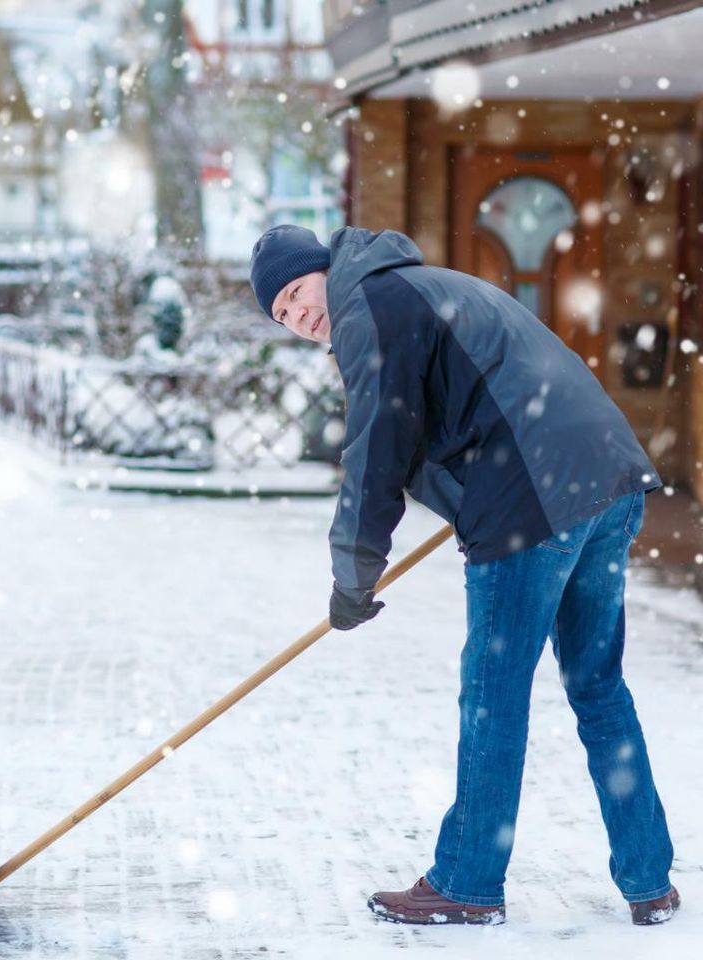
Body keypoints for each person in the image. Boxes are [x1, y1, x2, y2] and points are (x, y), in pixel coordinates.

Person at [249, 224, 678, 927]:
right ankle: (648, 879)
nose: (300, 316)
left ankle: (468, 882)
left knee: (493, 692)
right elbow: (443, 419)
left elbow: (376, 449)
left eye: (298, 293)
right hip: (606, 479)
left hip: (536, 495)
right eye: (284, 315)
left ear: (326, 268)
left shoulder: (370, 308)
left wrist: (354, 573)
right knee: (599, 687)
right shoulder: (411, 289)